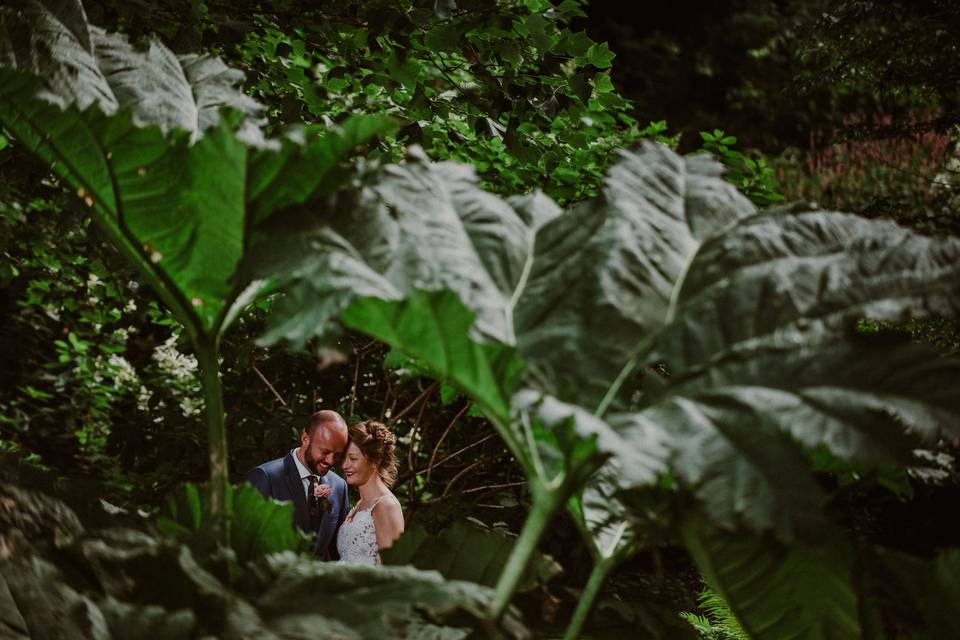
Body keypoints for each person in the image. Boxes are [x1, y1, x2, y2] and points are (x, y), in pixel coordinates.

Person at [246, 410, 349, 560]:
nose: (331, 461)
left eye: (337, 454)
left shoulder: (339, 486)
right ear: (305, 438)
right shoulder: (265, 477)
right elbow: (247, 546)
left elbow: (336, 551)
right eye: (325, 451)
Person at [336, 420, 405, 565]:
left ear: (376, 461)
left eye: (353, 459)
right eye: (344, 458)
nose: (344, 465)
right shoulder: (361, 504)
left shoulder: (386, 506)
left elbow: (392, 569)